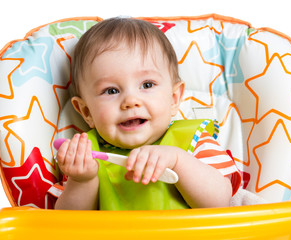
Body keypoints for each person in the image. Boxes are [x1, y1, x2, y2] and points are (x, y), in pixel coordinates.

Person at [53, 17, 241, 210]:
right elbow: (65, 223)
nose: (130, 101)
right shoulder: (85, 153)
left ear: (174, 98)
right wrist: (82, 180)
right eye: (111, 91)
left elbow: (220, 202)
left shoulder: (194, 141)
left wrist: (177, 161)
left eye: (147, 85)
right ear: (86, 112)